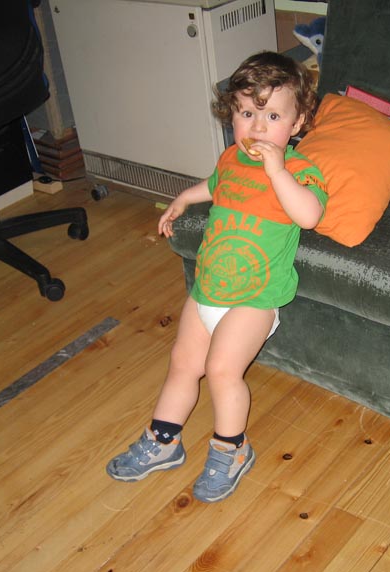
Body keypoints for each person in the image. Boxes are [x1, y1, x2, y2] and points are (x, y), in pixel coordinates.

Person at [106, 51, 328, 503]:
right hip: (209, 288)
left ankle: (232, 449)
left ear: (298, 122)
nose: (257, 128)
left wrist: (277, 170)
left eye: (272, 116)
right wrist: (183, 200)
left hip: (255, 299)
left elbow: (308, 216)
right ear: (232, 116)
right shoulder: (231, 158)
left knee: (223, 370)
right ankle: (163, 441)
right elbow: (214, 185)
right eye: (246, 114)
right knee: (183, 365)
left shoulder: (301, 172)